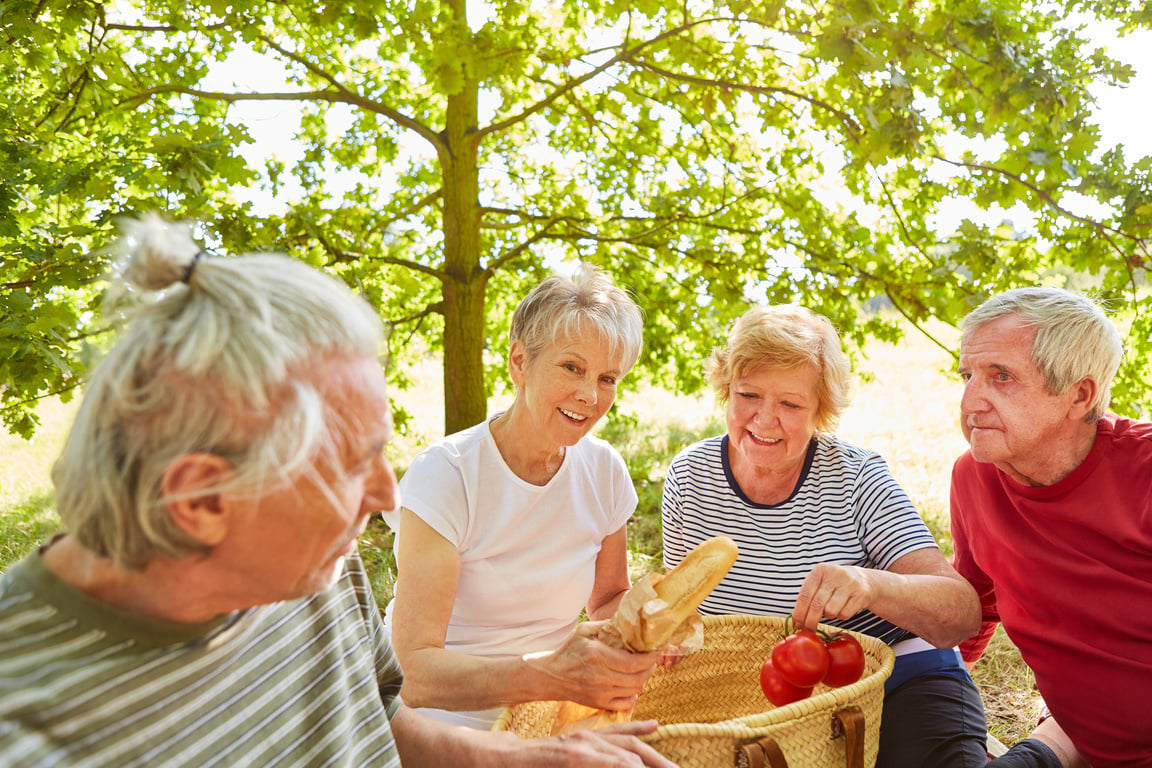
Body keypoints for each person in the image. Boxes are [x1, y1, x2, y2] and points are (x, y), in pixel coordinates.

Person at [0, 214, 676, 768]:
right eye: (351, 465)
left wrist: (541, 759)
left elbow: (382, 716)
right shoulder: (30, 735)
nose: (386, 496)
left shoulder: (318, 567)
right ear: (201, 503)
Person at [661, 304, 988, 768]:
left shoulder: (856, 477)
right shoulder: (691, 476)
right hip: (775, 697)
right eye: (748, 394)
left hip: (897, 676)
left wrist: (872, 584)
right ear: (725, 390)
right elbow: (684, 614)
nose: (764, 419)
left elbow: (961, 614)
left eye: (791, 404)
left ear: (821, 410)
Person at [382, 265, 658, 730]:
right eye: (572, 367)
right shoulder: (447, 475)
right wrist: (550, 676)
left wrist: (643, 626)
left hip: (545, 715)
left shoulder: (604, 470)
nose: (590, 395)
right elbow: (414, 673)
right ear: (519, 362)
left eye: (608, 378)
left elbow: (608, 597)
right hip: (436, 724)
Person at [950, 287, 1152, 768]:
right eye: (967, 375)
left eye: (1001, 377)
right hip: (1078, 734)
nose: (970, 401)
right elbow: (974, 606)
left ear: (1078, 395)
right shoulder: (975, 476)